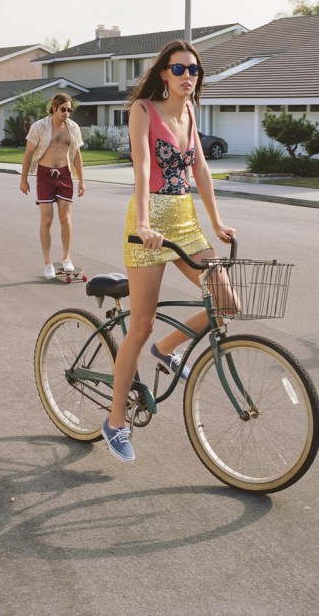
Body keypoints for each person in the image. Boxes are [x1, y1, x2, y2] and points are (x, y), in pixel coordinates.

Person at [101, 40, 236, 463]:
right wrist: (143, 223)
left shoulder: (192, 112)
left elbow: (201, 169)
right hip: (149, 222)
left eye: (193, 70)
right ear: (164, 73)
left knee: (227, 301)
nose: (187, 77)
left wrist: (215, 221)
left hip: (184, 219)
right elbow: (142, 166)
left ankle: (167, 347)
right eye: (178, 70)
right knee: (139, 326)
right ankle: (115, 422)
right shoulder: (143, 109)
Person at [19, 93, 86, 279]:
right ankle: (47, 263)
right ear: (54, 108)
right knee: (47, 219)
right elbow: (28, 154)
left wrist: (81, 180)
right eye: (63, 109)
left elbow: (77, 155)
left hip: (64, 174)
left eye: (69, 110)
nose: (67, 113)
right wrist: (23, 179)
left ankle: (66, 258)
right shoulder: (39, 127)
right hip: (45, 175)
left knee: (65, 217)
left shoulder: (73, 128)